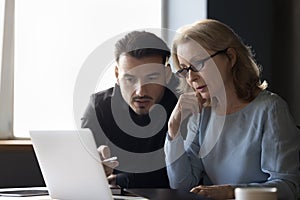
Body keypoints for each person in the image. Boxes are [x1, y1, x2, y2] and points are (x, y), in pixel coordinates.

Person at [164, 19, 300, 200]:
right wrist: (173, 129)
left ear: (230, 57)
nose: (191, 78)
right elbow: (183, 186)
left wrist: (231, 192)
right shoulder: (202, 113)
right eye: (184, 69)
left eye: (198, 64)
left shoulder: (270, 110)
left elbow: (287, 187)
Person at [81, 31, 179, 188]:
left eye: (152, 78)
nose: (140, 91)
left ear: (167, 74)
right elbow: (80, 169)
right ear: (117, 74)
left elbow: (186, 177)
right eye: (130, 79)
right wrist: (92, 165)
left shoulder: (184, 104)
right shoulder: (99, 106)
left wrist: (121, 180)